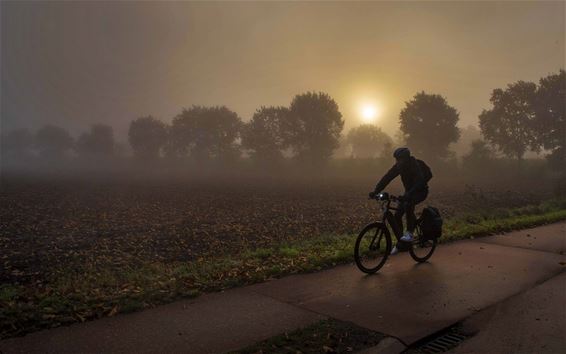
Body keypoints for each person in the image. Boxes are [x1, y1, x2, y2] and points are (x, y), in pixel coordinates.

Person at [369, 147, 432, 255]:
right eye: (396, 159)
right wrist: (376, 191)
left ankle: (409, 233)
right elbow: (387, 177)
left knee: (408, 204)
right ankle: (402, 242)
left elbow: (420, 181)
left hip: (420, 191)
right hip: (409, 192)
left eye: (400, 159)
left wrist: (408, 194)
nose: (398, 162)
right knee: (397, 215)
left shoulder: (414, 165)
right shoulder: (399, 167)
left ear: (406, 158)